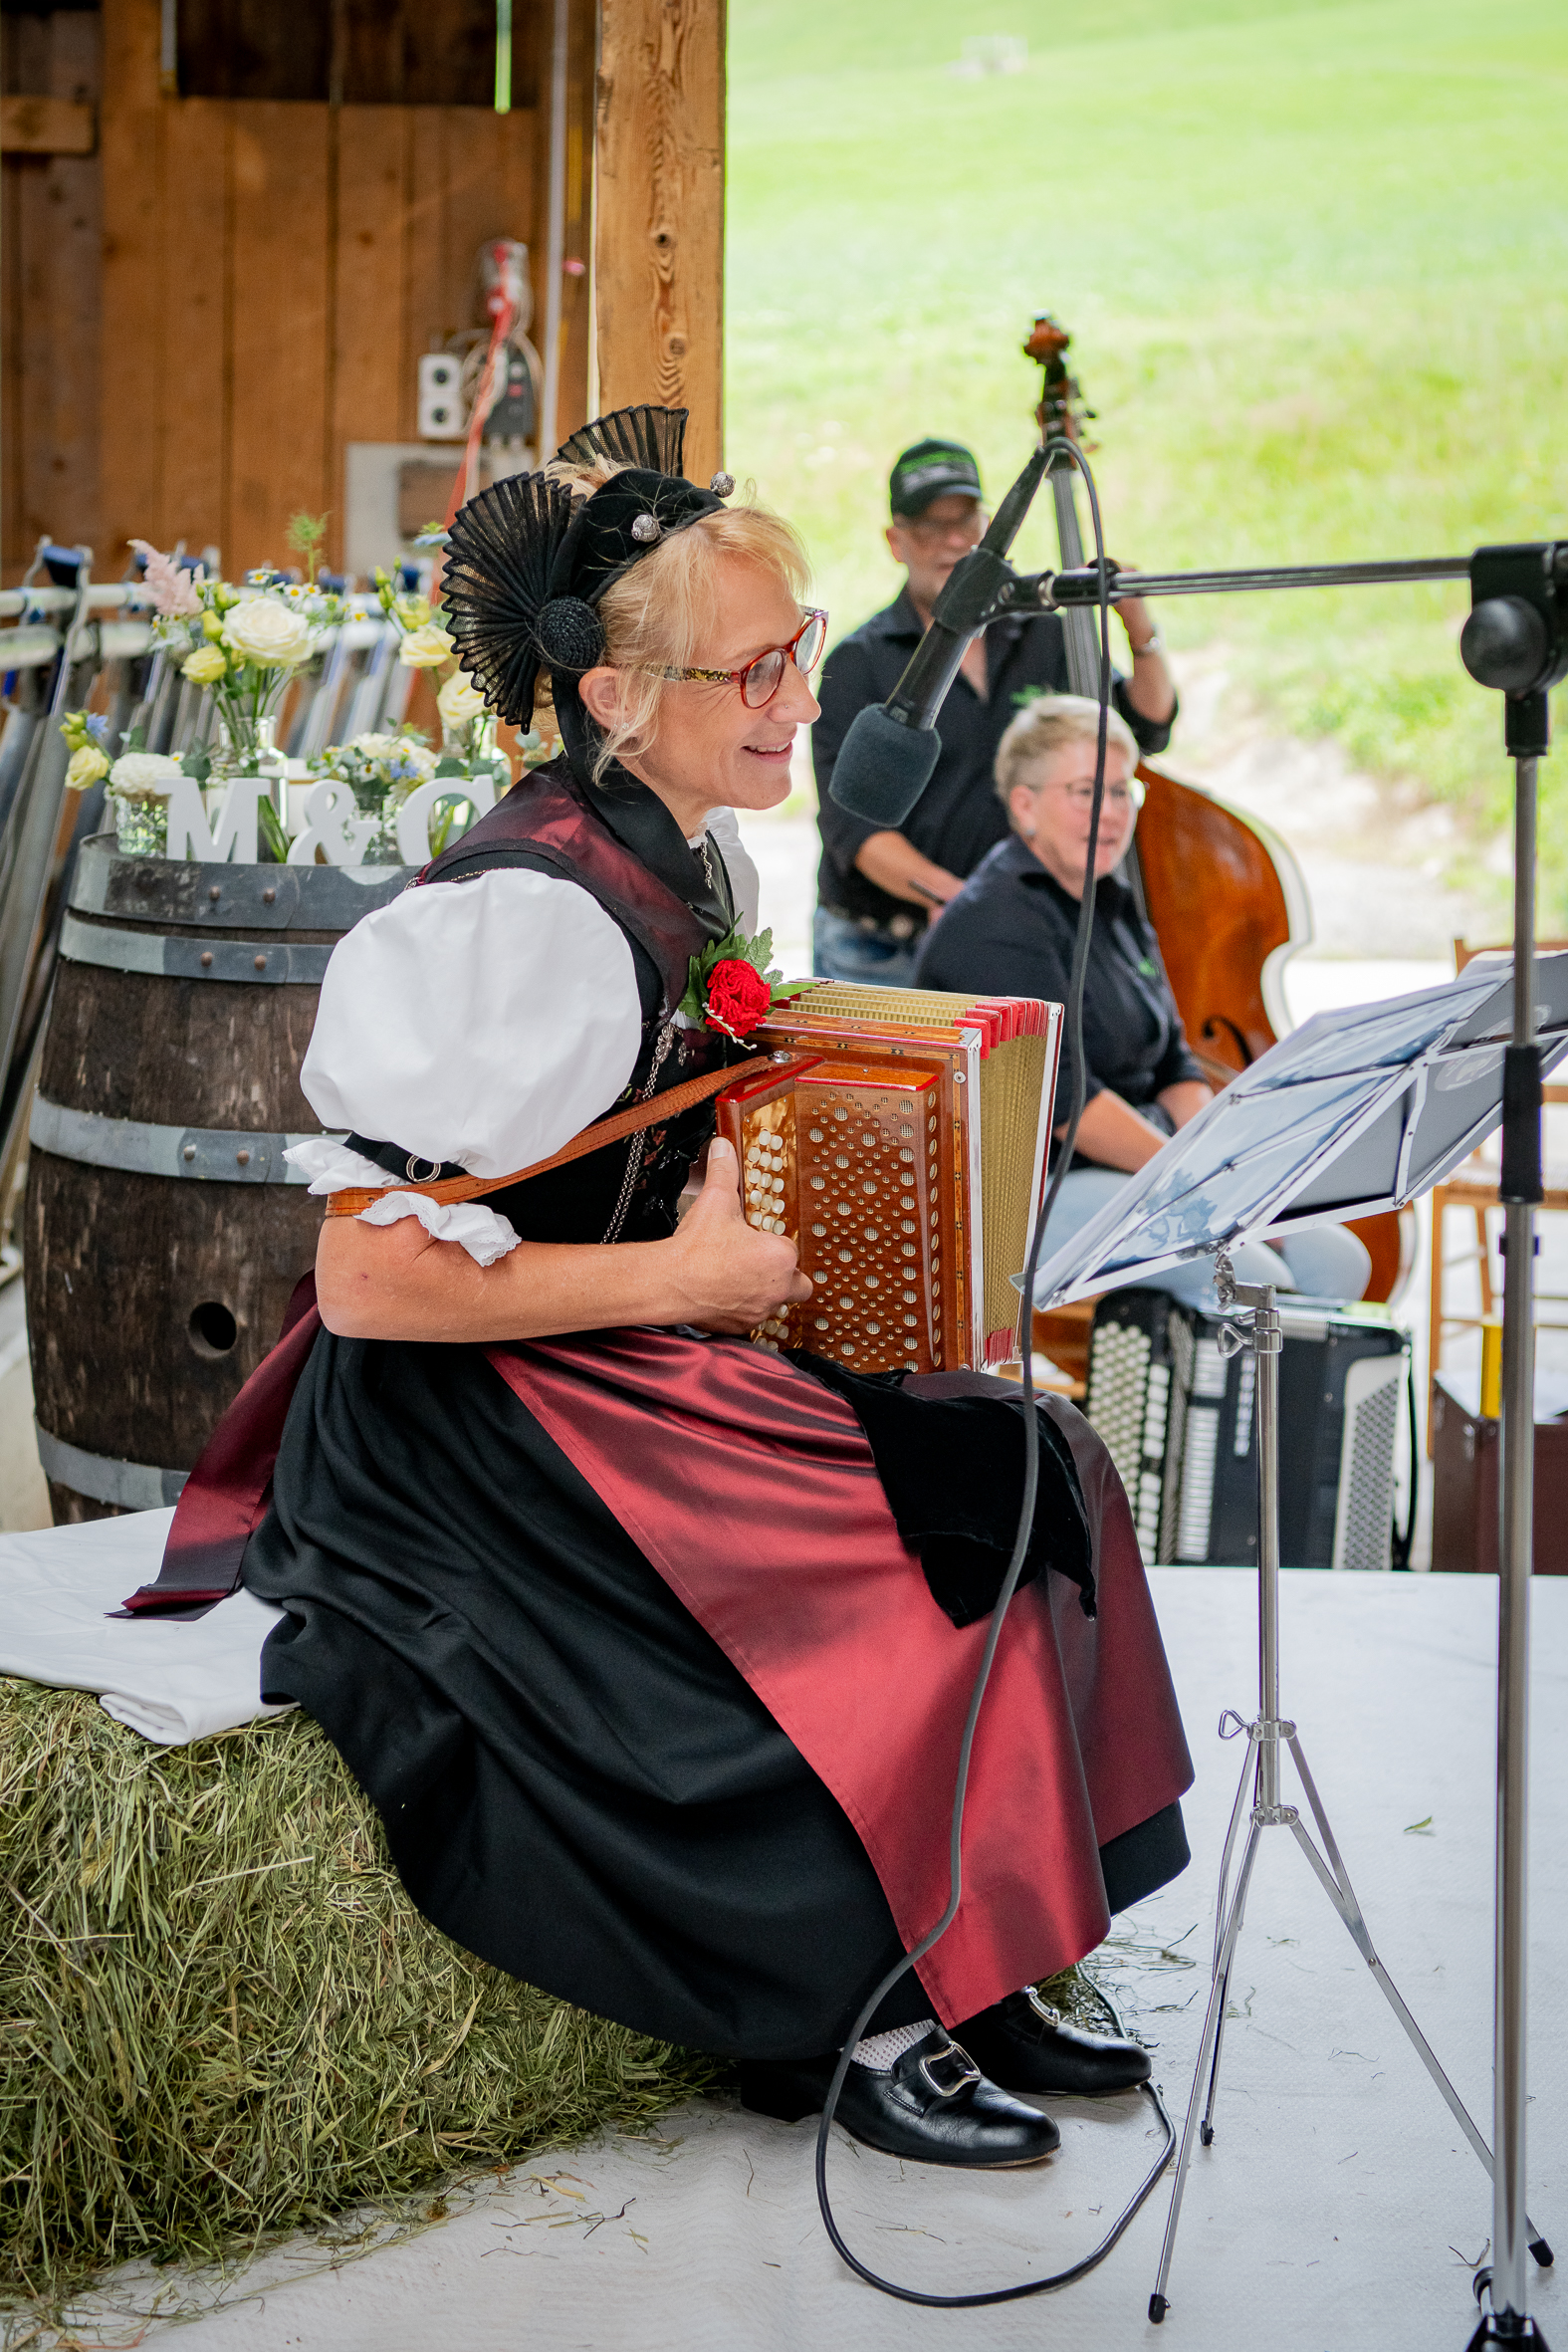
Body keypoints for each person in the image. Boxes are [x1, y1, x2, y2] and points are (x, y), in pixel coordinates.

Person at [137, 409, 1194, 2175]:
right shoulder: (522, 915)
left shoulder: (694, 856)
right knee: (881, 1544)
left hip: (611, 1354)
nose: (803, 699)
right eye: (757, 667)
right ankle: (863, 2006)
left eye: (798, 650)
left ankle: (987, 1948)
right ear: (617, 695)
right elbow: (369, 1283)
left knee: (1026, 1461)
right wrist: (688, 1273)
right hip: (461, 1429)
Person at [915, 694, 1372, 1308]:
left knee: (1340, 1261)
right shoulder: (994, 920)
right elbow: (1066, 1105)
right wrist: (1195, 1181)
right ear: (1024, 805)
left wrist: (1219, 1163)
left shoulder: (1113, 899)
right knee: (1256, 1278)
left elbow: (1174, 1063)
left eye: (1120, 791)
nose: (1110, 813)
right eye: (1085, 792)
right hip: (1030, 1190)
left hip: (1143, 1167)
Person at [811, 437, 1179, 987]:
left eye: (966, 522)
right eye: (930, 528)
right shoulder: (857, 662)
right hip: (884, 948)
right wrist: (964, 903)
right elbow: (854, 830)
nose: (954, 542)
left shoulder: (1047, 636)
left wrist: (1137, 624)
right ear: (895, 542)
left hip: (1013, 930)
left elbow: (1148, 726)